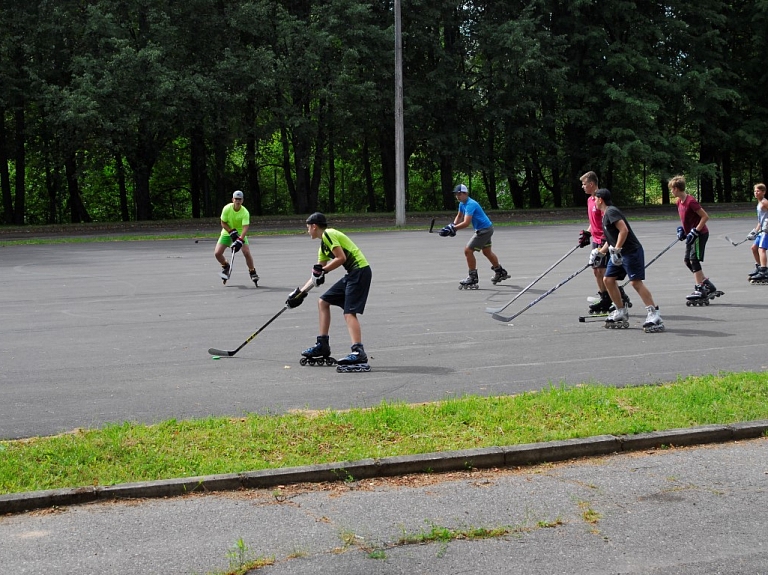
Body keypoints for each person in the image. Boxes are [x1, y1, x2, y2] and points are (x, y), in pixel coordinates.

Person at [286, 212, 373, 371]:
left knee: (349, 313)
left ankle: (358, 352)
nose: (308, 232)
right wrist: (300, 294)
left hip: (360, 271)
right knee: (323, 302)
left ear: (314, 226)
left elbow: (341, 258)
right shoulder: (323, 247)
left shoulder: (329, 234)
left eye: (308, 228)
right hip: (352, 274)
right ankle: (322, 344)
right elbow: (316, 275)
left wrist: (324, 270)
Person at [589, 189, 664, 332]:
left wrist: (617, 249)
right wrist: (599, 252)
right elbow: (610, 239)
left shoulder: (611, 212)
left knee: (635, 282)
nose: (594, 201)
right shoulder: (605, 215)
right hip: (617, 253)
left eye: (595, 199)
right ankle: (620, 311)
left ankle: (654, 313)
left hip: (630, 252)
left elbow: (624, 230)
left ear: (600, 200)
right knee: (608, 280)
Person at [438, 184, 509, 289]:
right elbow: (459, 216)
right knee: (487, 252)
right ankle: (500, 271)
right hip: (487, 228)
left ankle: (472, 278)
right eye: (456, 194)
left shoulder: (471, 204)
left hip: (484, 230)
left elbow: (466, 223)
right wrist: (452, 226)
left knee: (468, 250)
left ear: (465, 193)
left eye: (459, 194)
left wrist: (454, 229)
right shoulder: (462, 204)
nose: (457, 196)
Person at [579, 171, 629, 314]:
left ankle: (616, 296)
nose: (583, 187)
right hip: (595, 239)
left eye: (584, 184)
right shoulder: (590, 200)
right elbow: (593, 222)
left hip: (604, 239)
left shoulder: (600, 201)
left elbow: (607, 221)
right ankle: (604, 296)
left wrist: (607, 241)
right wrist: (587, 233)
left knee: (604, 270)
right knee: (596, 270)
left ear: (591, 184)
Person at [669, 175, 720, 302]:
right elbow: (686, 220)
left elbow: (705, 217)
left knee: (694, 260)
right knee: (687, 261)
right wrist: (682, 230)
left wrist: (696, 231)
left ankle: (700, 288)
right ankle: (706, 284)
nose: (671, 191)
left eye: (672, 189)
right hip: (691, 235)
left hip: (700, 234)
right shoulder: (678, 202)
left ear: (676, 188)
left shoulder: (690, 201)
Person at [214, 190, 259, 286]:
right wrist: (230, 231)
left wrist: (240, 239)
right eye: (236, 199)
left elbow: (245, 227)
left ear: (242, 200)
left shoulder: (245, 212)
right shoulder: (227, 208)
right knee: (217, 253)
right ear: (232, 199)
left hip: (240, 233)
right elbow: (223, 222)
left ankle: (252, 271)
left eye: (240, 199)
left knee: (246, 252)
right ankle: (225, 266)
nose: (238, 201)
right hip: (227, 232)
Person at [747, 183, 768, 283]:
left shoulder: (765, 202)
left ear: (763, 192)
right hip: (761, 229)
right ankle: (759, 267)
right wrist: (755, 231)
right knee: (754, 248)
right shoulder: (759, 204)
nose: (756, 193)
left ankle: (764, 270)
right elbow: (760, 220)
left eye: (758, 191)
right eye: (755, 191)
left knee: (761, 249)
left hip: (766, 230)